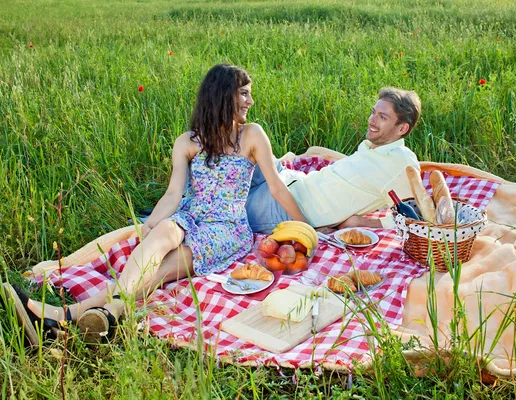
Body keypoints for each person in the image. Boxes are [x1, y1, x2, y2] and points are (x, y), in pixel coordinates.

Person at [5, 64, 307, 344]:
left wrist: (306, 228)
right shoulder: (187, 142)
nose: (250, 101)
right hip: (190, 215)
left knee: (160, 269)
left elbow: (277, 188)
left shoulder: (251, 135)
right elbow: (174, 194)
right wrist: (149, 225)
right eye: (244, 93)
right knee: (161, 232)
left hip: (226, 228)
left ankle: (73, 317)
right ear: (222, 95)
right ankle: (93, 319)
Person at [246, 87, 421, 233]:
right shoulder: (374, 146)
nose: (372, 121)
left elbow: (412, 217)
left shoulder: (401, 164)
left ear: (402, 128)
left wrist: (360, 222)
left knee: (223, 205)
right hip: (288, 176)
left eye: (383, 117)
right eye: (373, 112)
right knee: (238, 142)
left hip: (286, 208)